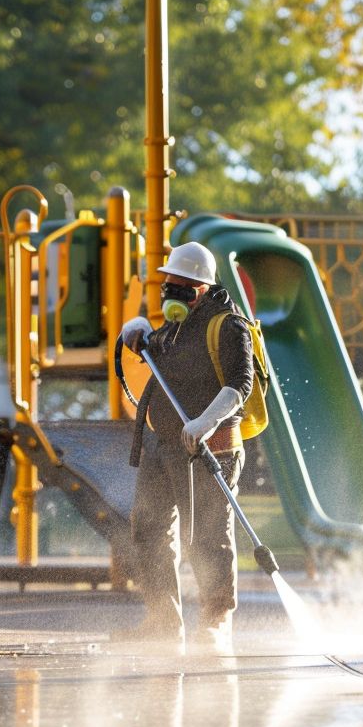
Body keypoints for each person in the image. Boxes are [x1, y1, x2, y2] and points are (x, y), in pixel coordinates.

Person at [120, 241, 254, 652]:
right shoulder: (175, 327)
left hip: (209, 446)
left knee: (208, 537)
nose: (169, 293)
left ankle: (216, 620)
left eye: (179, 286)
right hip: (164, 446)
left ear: (200, 289)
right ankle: (163, 621)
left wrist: (204, 420)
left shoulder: (228, 326)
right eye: (167, 284)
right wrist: (140, 331)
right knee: (149, 531)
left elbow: (240, 385)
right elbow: (156, 352)